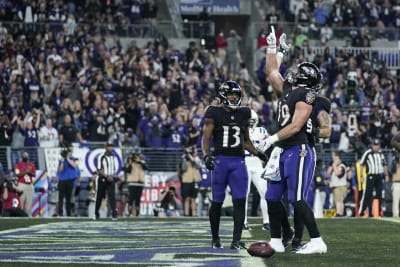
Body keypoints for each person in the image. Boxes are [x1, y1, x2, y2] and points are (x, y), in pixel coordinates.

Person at [257, 26, 327, 254]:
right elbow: (272, 72)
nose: (293, 73)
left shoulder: (306, 95)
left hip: (299, 148)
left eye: (298, 72)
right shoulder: (288, 90)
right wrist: (272, 48)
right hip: (282, 149)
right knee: (272, 196)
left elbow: (296, 125)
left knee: (297, 198)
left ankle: (316, 240)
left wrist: (270, 139)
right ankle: (277, 239)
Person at [201, 80, 267, 249]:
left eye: (236, 95)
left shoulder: (244, 113)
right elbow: (206, 138)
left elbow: (246, 140)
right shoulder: (213, 112)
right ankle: (215, 239)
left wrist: (257, 152)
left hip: (238, 162)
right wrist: (206, 155)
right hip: (221, 162)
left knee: (240, 201)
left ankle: (236, 241)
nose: (233, 97)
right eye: (231, 94)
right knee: (217, 202)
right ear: (223, 95)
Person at [243, 110, 270, 231]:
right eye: (248, 120)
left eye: (252, 120)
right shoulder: (241, 131)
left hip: (257, 163)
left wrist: (261, 152)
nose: (250, 123)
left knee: (264, 191)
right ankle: (243, 222)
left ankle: (266, 221)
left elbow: (268, 141)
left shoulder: (261, 131)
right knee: (244, 194)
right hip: (244, 162)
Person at [358, 139, 389, 217]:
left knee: (379, 195)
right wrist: (361, 176)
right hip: (371, 176)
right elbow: (361, 164)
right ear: (372, 145)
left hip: (379, 176)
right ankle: (362, 211)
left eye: (377, 145)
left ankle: (377, 211)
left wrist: (386, 175)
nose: (376, 147)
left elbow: (384, 165)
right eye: (375, 145)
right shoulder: (367, 153)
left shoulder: (381, 153)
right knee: (367, 194)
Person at [95, 142, 120, 220]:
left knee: (112, 196)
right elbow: (99, 169)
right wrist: (106, 176)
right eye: (109, 146)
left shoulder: (113, 157)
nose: (110, 148)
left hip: (110, 178)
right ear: (105, 147)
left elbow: (114, 169)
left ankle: (114, 214)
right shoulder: (101, 157)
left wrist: (114, 176)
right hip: (103, 178)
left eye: (111, 146)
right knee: (99, 196)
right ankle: (96, 213)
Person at [57, 148, 79, 217]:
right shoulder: (62, 160)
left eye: (70, 152)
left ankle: (68, 213)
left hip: (70, 181)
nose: (69, 153)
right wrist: (63, 161)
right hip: (62, 181)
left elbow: (74, 165)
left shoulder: (75, 159)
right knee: (60, 198)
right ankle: (60, 213)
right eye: (68, 152)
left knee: (68, 199)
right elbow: (60, 170)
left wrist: (67, 159)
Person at [180, 146, 201, 217]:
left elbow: (198, 166)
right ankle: (186, 214)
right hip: (186, 180)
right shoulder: (185, 159)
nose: (195, 153)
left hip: (195, 180)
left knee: (193, 198)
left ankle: (194, 214)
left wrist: (190, 157)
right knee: (186, 198)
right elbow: (183, 168)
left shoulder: (197, 159)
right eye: (194, 151)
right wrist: (184, 159)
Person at [124, 151, 148, 216]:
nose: (136, 158)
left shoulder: (142, 162)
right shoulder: (130, 163)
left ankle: (137, 214)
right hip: (132, 183)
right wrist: (131, 163)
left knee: (138, 199)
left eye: (137, 156)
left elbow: (145, 168)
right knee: (131, 199)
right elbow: (128, 170)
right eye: (135, 156)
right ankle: (129, 213)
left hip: (140, 183)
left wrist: (139, 161)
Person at [326, 151, 348, 217]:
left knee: (338, 200)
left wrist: (334, 166)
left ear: (339, 159)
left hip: (340, 186)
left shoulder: (342, 166)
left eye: (336, 159)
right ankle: (340, 213)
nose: (334, 160)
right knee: (339, 200)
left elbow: (338, 173)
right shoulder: (334, 166)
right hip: (336, 186)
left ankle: (339, 213)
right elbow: (327, 174)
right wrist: (331, 167)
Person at [14, 151, 36, 216]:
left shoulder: (31, 165)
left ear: (28, 157)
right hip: (21, 185)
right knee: (20, 202)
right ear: (22, 157)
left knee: (29, 203)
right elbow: (17, 174)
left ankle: (29, 216)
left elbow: (34, 174)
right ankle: (20, 216)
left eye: (26, 155)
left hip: (30, 185)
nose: (25, 157)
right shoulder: (18, 165)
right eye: (24, 155)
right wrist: (25, 172)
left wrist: (29, 173)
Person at [390, 154, 400, 218]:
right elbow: (392, 171)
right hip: (396, 183)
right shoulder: (395, 164)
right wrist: (394, 162)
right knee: (396, 200)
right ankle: (395, 214)